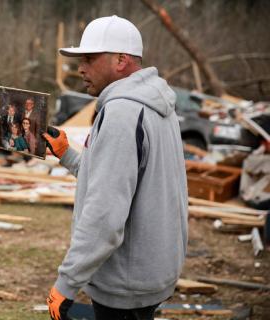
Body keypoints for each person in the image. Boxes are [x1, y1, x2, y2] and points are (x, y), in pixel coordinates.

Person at [42, 16, 188, 320]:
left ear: (121, 60)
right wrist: (66, 153)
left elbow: (105, 213)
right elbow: (120, 182)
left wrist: (66, 283)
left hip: (126, 283)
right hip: (150, 271)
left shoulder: (123, 112)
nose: (80, 68)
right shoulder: (155, 103)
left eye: (89, 59)